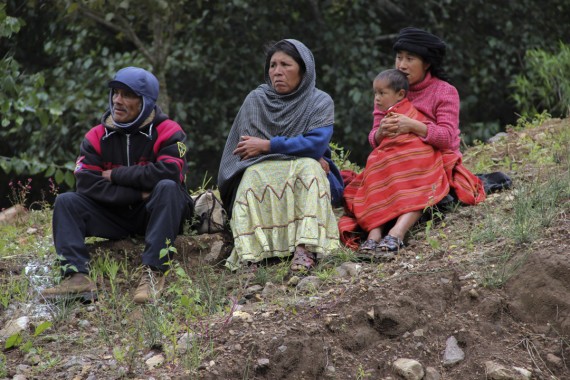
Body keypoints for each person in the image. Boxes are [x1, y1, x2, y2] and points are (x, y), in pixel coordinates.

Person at [41, 66, 193, 303]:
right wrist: (139, 192)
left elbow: (171, 172)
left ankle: (153, 273)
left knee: (167, 188)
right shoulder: (95, 136)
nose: (117, 100)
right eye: (115, 93)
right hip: (115, 214)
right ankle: (76, 277)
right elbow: (87, 184)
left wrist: (115, 175)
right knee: (66, 201)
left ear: (146, 102)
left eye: (127, 95)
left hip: (155, 212)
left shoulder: (169, 130)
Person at [338, 27, 486, 253]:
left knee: (418, 168)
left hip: (431, 156)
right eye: (399, 58)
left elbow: (447, 138)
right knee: (375, 168)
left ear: (426, 63)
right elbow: (374, 137)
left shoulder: (444, 92)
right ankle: (374, 233)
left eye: (410, 59)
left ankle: (397, 233)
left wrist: (414, 126)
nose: (402, 65)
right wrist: (381, 133)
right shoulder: (388, 88)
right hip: (393, 156)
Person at [218, 39, 343, 272]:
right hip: (261, 167)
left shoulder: (319, 101)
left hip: (297, 166)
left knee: (309, 168)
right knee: (254, 174)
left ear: (304, 71)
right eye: (273, 65)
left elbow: (315, 143)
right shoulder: (256, 100)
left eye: (286, 65)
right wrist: (304, 152)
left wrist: (268, 145)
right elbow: (248, 152)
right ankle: (252, 254)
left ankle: (305, 248)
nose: (277, 72)